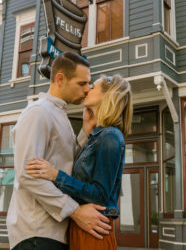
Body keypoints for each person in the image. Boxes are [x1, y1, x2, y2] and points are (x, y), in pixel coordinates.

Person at [7, 52, 111, 250]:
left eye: (88, 84)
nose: (87, 90)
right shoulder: (38, 112)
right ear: (60, 79)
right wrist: (76, 212)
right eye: (82, 83)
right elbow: (29, 175)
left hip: (53, 232)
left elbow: (65, 162)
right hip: (36, 233)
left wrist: (85, 132)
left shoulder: (58, 114)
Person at [26, 74, 133, 250]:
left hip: (94, 230)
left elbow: (100, 194)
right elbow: (77, 172)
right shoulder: (97, 136)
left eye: (93, 87)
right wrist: (85, 129)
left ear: (107, 96)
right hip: (82, 225)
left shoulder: (110, 136)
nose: (87, 90)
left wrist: (55, 175)